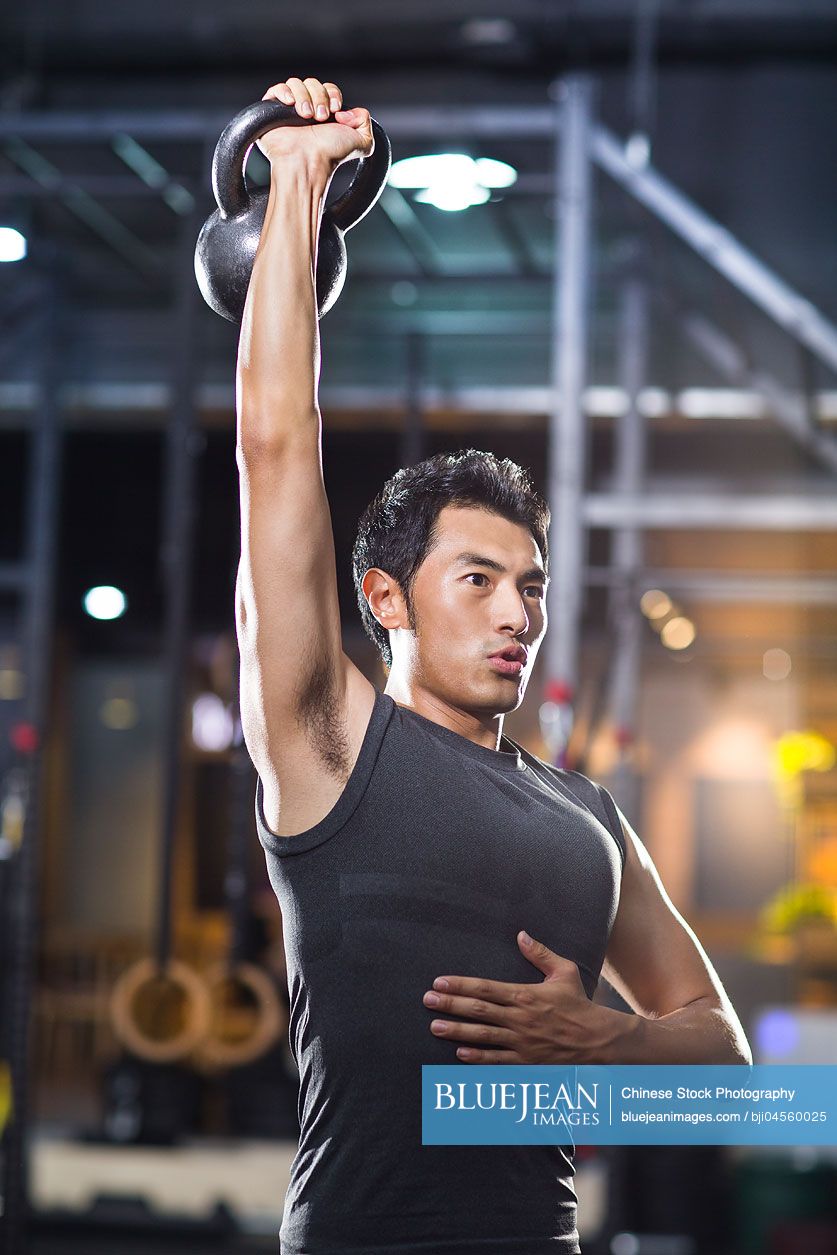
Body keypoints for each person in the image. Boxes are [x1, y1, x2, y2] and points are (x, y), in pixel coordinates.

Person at [233, 75, 751, 1255]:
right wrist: (299, 184)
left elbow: (720, 1056)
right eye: (476, 580)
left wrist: (604, 1041)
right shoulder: (329, 747)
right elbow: (273, 451)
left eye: (532, 587)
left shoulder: (591, 817)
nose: (516, 613)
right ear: (384, 599)